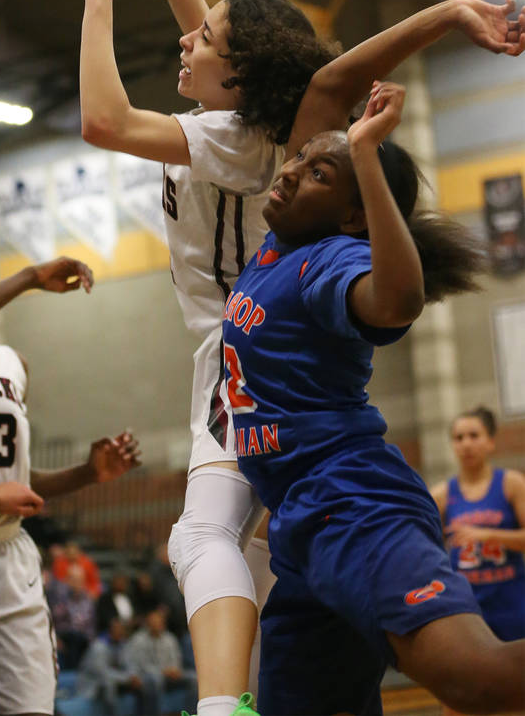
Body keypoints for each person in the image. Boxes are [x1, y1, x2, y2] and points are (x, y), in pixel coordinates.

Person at [57, 0, 525, 716]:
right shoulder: (262, 115)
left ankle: (219, 705)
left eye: (207, 37)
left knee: (200, 542)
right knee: (265, 565)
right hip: (267, 356)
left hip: (251, 354)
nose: (189, 35)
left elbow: (104, 120)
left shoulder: (226, 139)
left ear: (240, 69)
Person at [221, 81, 525, 715]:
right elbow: (319, 88)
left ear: (355, 214)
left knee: (480, 681)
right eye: (300, 159)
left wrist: (363, 154)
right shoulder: (281, 245)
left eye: (318, 171)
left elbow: (396, 302)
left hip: (355, 502)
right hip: (300, 525)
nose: (295, 170)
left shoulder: (329, 259)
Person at [0, 236, 141, 716]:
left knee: (33, 708)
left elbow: (17, 479)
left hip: (4, 554)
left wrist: (87, 473)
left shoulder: (12, 363)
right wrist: (29, 277)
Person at [431, 406, 525, 642]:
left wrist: (487, 535)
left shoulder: (511, 484)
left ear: (490, 442)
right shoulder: (440, 495)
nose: (466, 444)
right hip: (468, 609)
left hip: (512, 601)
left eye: (474, 435)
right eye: (458, 438)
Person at [125, 605, 198, 716]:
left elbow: (176, 659)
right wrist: (163, 671)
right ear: (148, 623)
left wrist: (175, 669)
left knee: (193, 678)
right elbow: (143, 666)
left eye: (159, 621)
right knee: (155, 679)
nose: (157, 624)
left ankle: (191, 713)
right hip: (148, 677)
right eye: (153, 621)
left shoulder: (170, 638)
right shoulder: (139, 640)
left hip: (170, 676)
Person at [76, 616, 152, 716]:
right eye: (118, 629)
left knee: (144, 681)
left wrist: (133, 676)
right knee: (109, 685)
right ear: (111, 630)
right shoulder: (99, 646)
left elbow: (131, 664)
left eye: (122, 629)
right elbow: (102, 673)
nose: (121, 632)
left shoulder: (123, 644)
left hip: (117, 680)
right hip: (94, 684)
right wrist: (127, 678)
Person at [47, 562, 98, 670]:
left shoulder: (88, 600)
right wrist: (55, 639)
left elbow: (92, 626)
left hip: (83, 641)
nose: (76, 583)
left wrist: (91, 643)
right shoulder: (57, 599)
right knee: (72, 636)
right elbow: (51, 622)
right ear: (66, 580)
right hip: (63, 639)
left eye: (79, 580)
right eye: (73, 579)